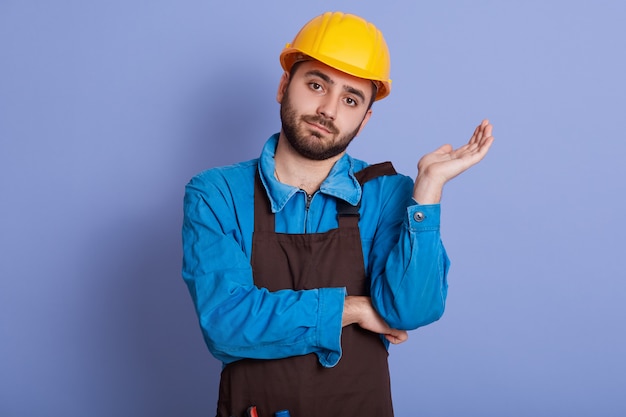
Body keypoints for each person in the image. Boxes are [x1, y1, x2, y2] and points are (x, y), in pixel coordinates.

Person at [182, 11, 494, 417]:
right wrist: (354, 309)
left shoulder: (388, 194)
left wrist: (428, 192)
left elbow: (409, 311)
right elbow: (226, 324)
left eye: (350, 99)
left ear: (364, 119)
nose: (328, 110)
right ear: (283, 86)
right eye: (316, 84)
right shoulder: (217, 194)